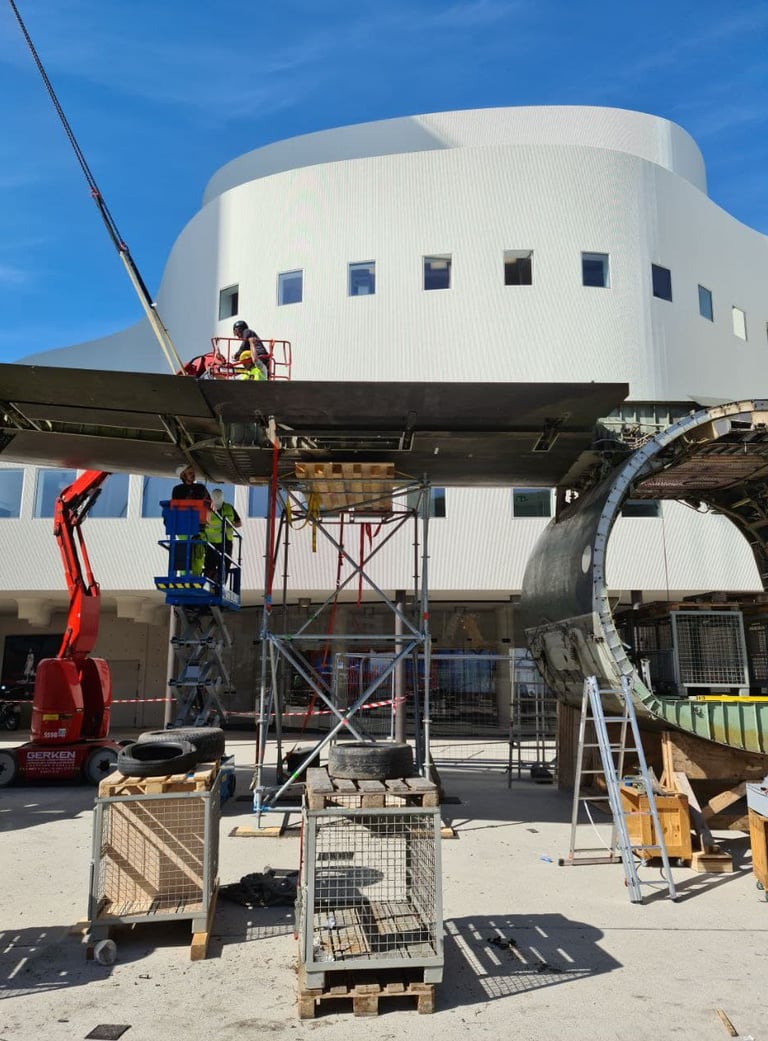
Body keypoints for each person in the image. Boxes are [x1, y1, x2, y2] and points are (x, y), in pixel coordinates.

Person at [169, 464, 210, 574]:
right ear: (183, 475)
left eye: (193, 473)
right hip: (184, 526)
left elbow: (209, 505)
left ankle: (195, 577)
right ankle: (185, 577)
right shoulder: (178, 490)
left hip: (199, 527)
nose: (193, 475)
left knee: (198, 555)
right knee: (185, 554)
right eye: (190, 473)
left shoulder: (201, 488)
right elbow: (175, 506)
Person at [204, 488, 242, 581]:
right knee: (210, 564)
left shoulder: (229, 508)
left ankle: (221, 583)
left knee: (225, 564)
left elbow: (239, 523)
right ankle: (209, 581)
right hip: (212, 542)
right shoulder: (207, 508)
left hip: (226, 542)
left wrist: (231, 524)